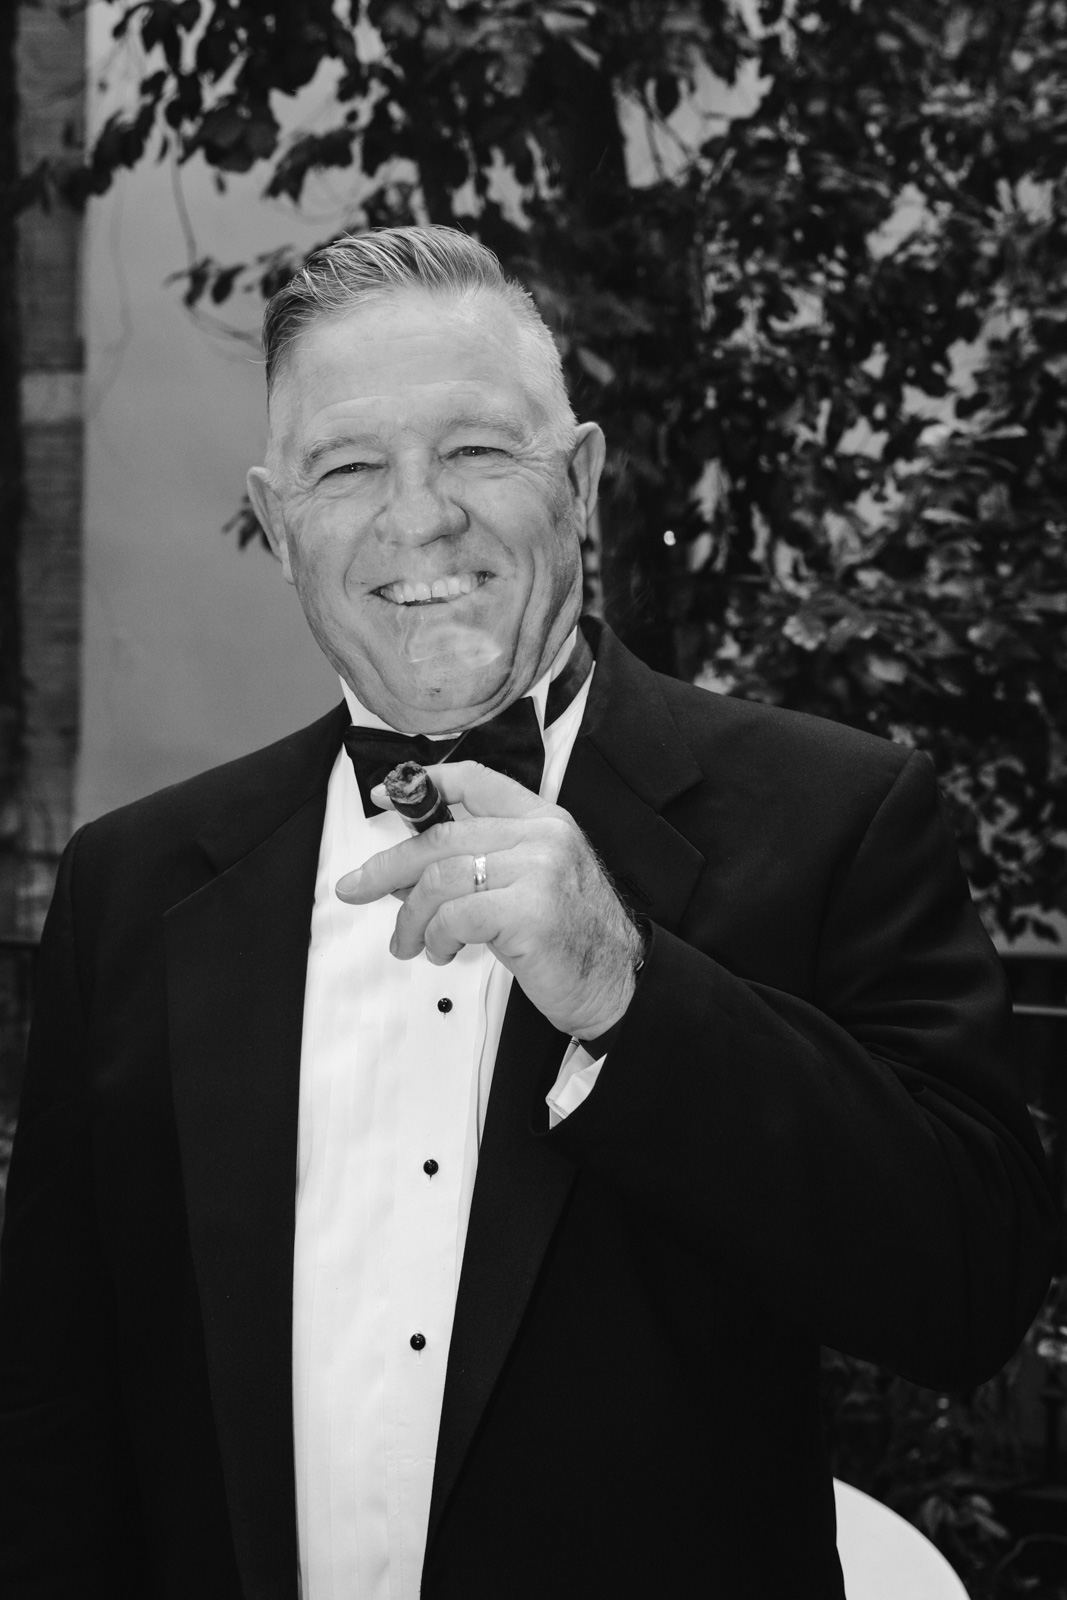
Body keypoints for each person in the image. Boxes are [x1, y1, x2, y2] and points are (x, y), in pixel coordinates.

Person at [0, 225, 1057, 1600]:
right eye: (347, 467)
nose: (419, 518)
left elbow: (970, 1290)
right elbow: (56, 1414)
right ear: (277, 523)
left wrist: (628, 991)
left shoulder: (834, 815)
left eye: (477, 450)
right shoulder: (131, 883)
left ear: (582, 480)